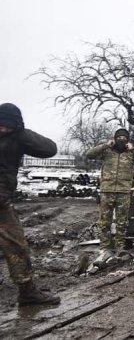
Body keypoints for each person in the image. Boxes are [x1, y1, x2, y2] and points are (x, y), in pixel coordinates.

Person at [0, 103, 61, 306]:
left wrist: (20, 133)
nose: (2, 128)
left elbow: (50, 149)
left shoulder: (17, 137)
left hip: (1, 202)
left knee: (17, 246)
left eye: (6, 125)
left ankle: (27, 292)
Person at [86, 128, 134, 265]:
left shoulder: (130, 154)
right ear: (114, 138)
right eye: (118, 137)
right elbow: (89, 154)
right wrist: (105, 145)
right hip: (106, 191)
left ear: (127, 140)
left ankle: (120, 248)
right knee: (104, 222)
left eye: (124, 137)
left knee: (122, 222)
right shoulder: (107, 151)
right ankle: (105, 248)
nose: (121, 140)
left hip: (124, 192)